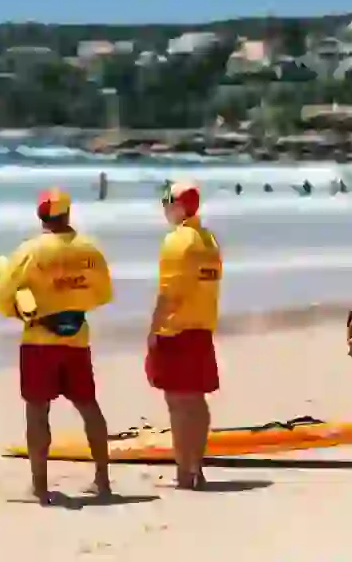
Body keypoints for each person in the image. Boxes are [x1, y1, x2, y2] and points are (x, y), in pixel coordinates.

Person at [0, 188, 114, 503]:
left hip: (39, 342)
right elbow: (102, 294)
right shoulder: (90, 250)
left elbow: (4, 299)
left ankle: (41, 487)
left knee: (37, 411)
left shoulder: (29, 252)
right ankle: (102, 481)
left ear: (40, 216)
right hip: (77, 339)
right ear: (68, 213)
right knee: (89, 407)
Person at [146, 182, 222, 490]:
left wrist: (153, 329)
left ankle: (183, 472)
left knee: (178, 403)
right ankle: (197, 467)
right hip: (202, 327)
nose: (164, 209)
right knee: (197, 401)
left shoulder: (177, 241)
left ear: (178, 206)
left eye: (166, 202)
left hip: (176, 329)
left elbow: (168, 293)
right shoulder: (209, 240)